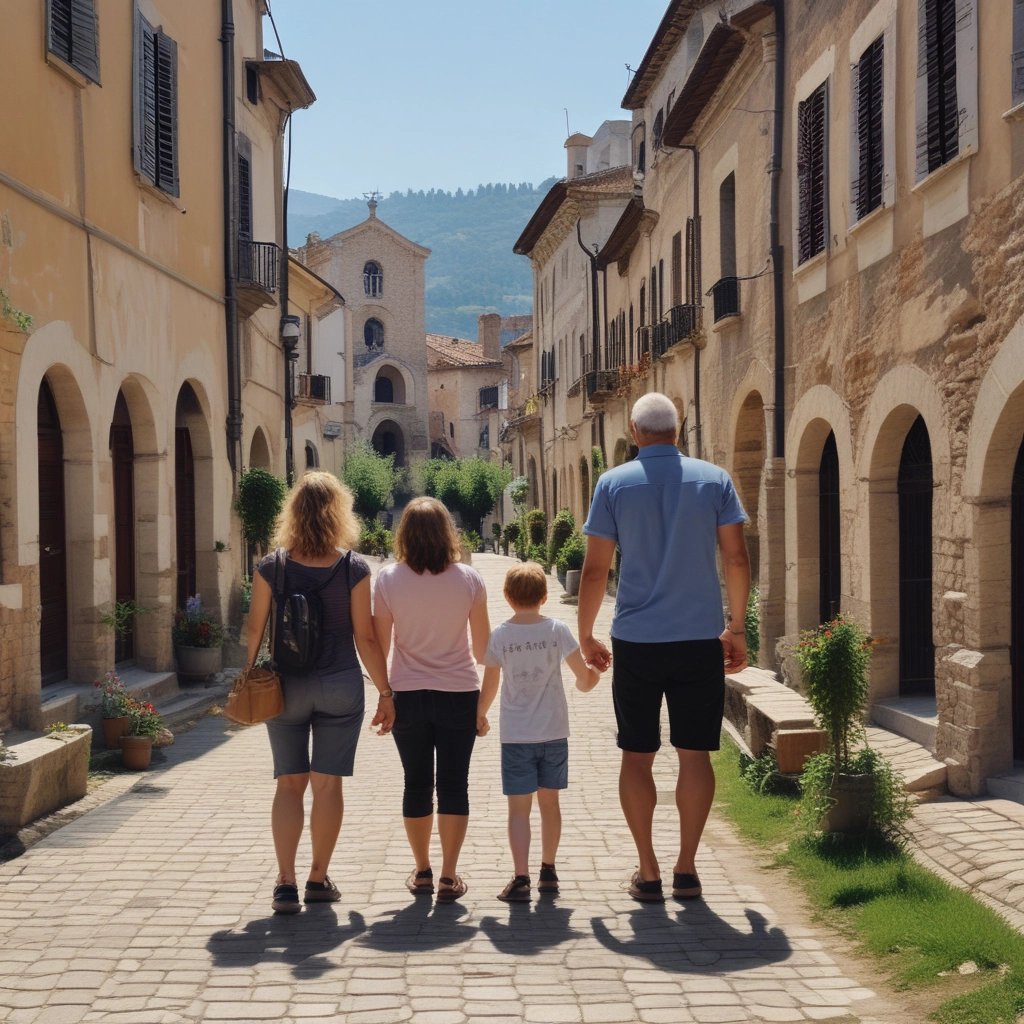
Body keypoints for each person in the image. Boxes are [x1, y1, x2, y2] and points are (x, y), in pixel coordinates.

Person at [577, 392, 750, 903]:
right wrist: (737, 628)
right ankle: (688, 868)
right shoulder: (714, 479)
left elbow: (594, 569)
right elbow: (736, 558)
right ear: (678, 430)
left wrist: (586, 634)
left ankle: (648, 870)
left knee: (637, 755)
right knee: (695, 756)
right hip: (699, 639)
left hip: (637, 640)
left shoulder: (612, 484)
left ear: (634, 431)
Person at [247, 471, 392, 915]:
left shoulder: (272, 565)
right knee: (327, 787)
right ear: (339, 512)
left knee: (288, 784)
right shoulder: (352, 567)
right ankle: (317, 877)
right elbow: (365, 637)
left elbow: (253, 629)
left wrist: (244, 677)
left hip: (285, 687)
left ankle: (285, 883)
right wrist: (386, 691)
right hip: (340, 685)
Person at [373, 497, 490, 903]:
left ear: (403, 534)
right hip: (459, 692)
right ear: (448, 533)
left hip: (408, 693)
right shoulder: (470, 581)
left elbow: (380, 646)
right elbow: (483, 651)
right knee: (455, 784)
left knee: (416, 783)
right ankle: (448, 875)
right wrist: (484, 706)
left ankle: (422, 869)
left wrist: (384, 696)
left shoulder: (387, 580)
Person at [477, 561, 600, 902]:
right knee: (550, 805)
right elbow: (582, 678)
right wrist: (593, 677)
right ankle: (548, 869)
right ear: (545, 597)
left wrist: (480, 715)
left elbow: (490, 683)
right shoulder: (557, 630)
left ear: (506, 596)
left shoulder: (500, 636)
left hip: (516, 735)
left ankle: (520, 877)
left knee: (518, 811)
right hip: (554, 732)